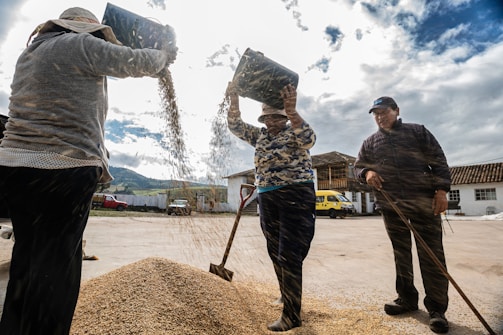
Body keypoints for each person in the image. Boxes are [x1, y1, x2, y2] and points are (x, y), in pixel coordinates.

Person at [0, 7, 175, 335]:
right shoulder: (79, 44)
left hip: (14, 170)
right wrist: (164, 53)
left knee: (26, 261)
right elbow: (133, 61)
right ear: (83, 30)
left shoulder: (29, 53)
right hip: (62, 170)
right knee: (57, 274)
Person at [354, 96, 451, 334]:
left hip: (423, 201)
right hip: (390, 205)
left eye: (384, 112)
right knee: (401, 254)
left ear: (396, 111)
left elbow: (438, 160)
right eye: (375, 114)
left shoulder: (417, 132)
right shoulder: (370, 142)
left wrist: (441, 191)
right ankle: (406, 299)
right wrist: (366, 173)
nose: (379, 117)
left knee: (431, 254)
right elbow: (357, 167)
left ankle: (437, 309)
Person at [226, 83, 316, 332]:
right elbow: (236, 126)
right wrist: (234, 100)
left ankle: (291, 315)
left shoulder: (295, 131)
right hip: (267, 197)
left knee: (291, 252)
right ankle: (287, 293)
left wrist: (293, 110)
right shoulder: (260, 136)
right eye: (267, 117)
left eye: (277, 116)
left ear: (284, 117)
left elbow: (310, 140)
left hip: (296, 194)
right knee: (275, 250)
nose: (271, 121)